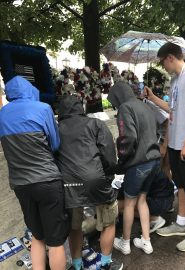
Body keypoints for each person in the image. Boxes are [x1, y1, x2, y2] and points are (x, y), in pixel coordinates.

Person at [144, 42, 185, 252]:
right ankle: (181, 223)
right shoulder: (175, 80)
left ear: (170, 57)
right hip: (176, 143)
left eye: (163, 62)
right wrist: (153, 98)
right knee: (181, 184)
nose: (163, 67)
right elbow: (172, 110)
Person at [0, 76, 70, 270]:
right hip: (47, 181)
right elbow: (55, 143)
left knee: (37, 236)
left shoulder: (2, 114)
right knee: (55, 242)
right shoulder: (43, 108)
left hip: (21, 185)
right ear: (30, 89)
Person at [56, 95, 122, 270]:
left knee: (74, 226)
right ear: (81, 108)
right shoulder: (95, 124)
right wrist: (107, 176)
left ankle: (77, 265)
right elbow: (109, 156)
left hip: (68, 184)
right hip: (96, 179)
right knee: (108, 222)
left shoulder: (56, 129)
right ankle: (106, 264)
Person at [108, 81, 161, 255]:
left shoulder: (125, 108)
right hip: (154, 160)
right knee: (142, 200)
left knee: (129, 204)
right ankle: (146, 240)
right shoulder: (144, 106)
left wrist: (121, 161)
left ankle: (125, 243)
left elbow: (127, 138)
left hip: (138, 163)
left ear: (117, 96)